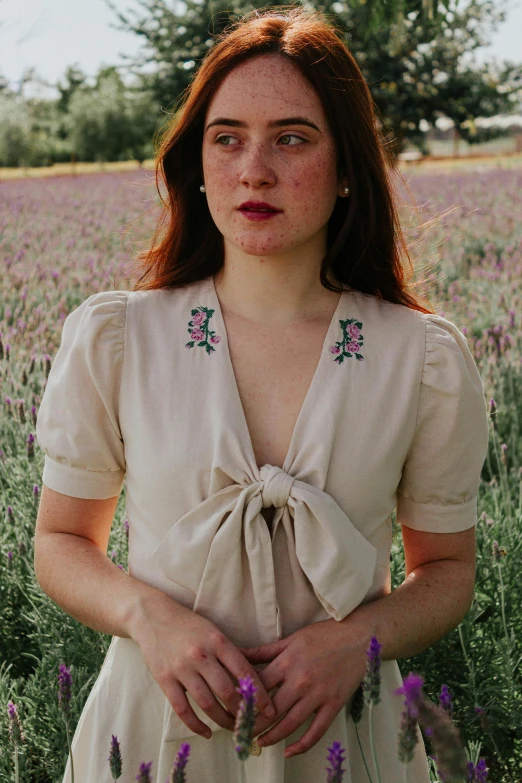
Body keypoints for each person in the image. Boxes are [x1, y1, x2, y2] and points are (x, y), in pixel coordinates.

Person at [34, 7, 490, 782]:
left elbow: (446, 568)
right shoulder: (118, 338)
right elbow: (60, 541)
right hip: (156, 734)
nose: (254, 169)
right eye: (227, 137)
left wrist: (357, 640)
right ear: (198, 161)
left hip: (349, 741)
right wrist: (149, 616)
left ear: (347, 164)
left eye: (292, 137)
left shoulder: (420, 358)